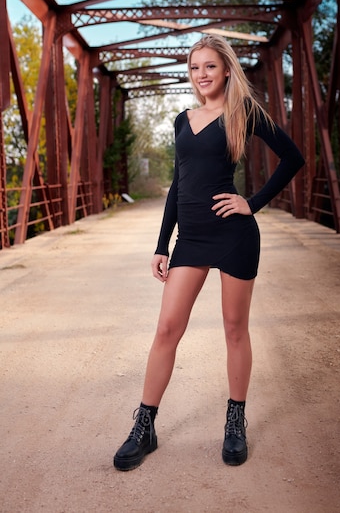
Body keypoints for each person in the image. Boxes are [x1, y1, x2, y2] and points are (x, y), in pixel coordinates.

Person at [113, 33, 305, 471]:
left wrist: (250, 203)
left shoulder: (244, 114)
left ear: (226, 70)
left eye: (210, 66)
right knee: (166, 329)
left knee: (235, 329)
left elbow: (293, 158)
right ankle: (145, 425)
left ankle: (235, 421)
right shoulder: (183, 120)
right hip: (192, 239)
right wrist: (162, 244)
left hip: (235, 235)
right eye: (195, 67)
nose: (202, 74)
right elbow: (178, 188)